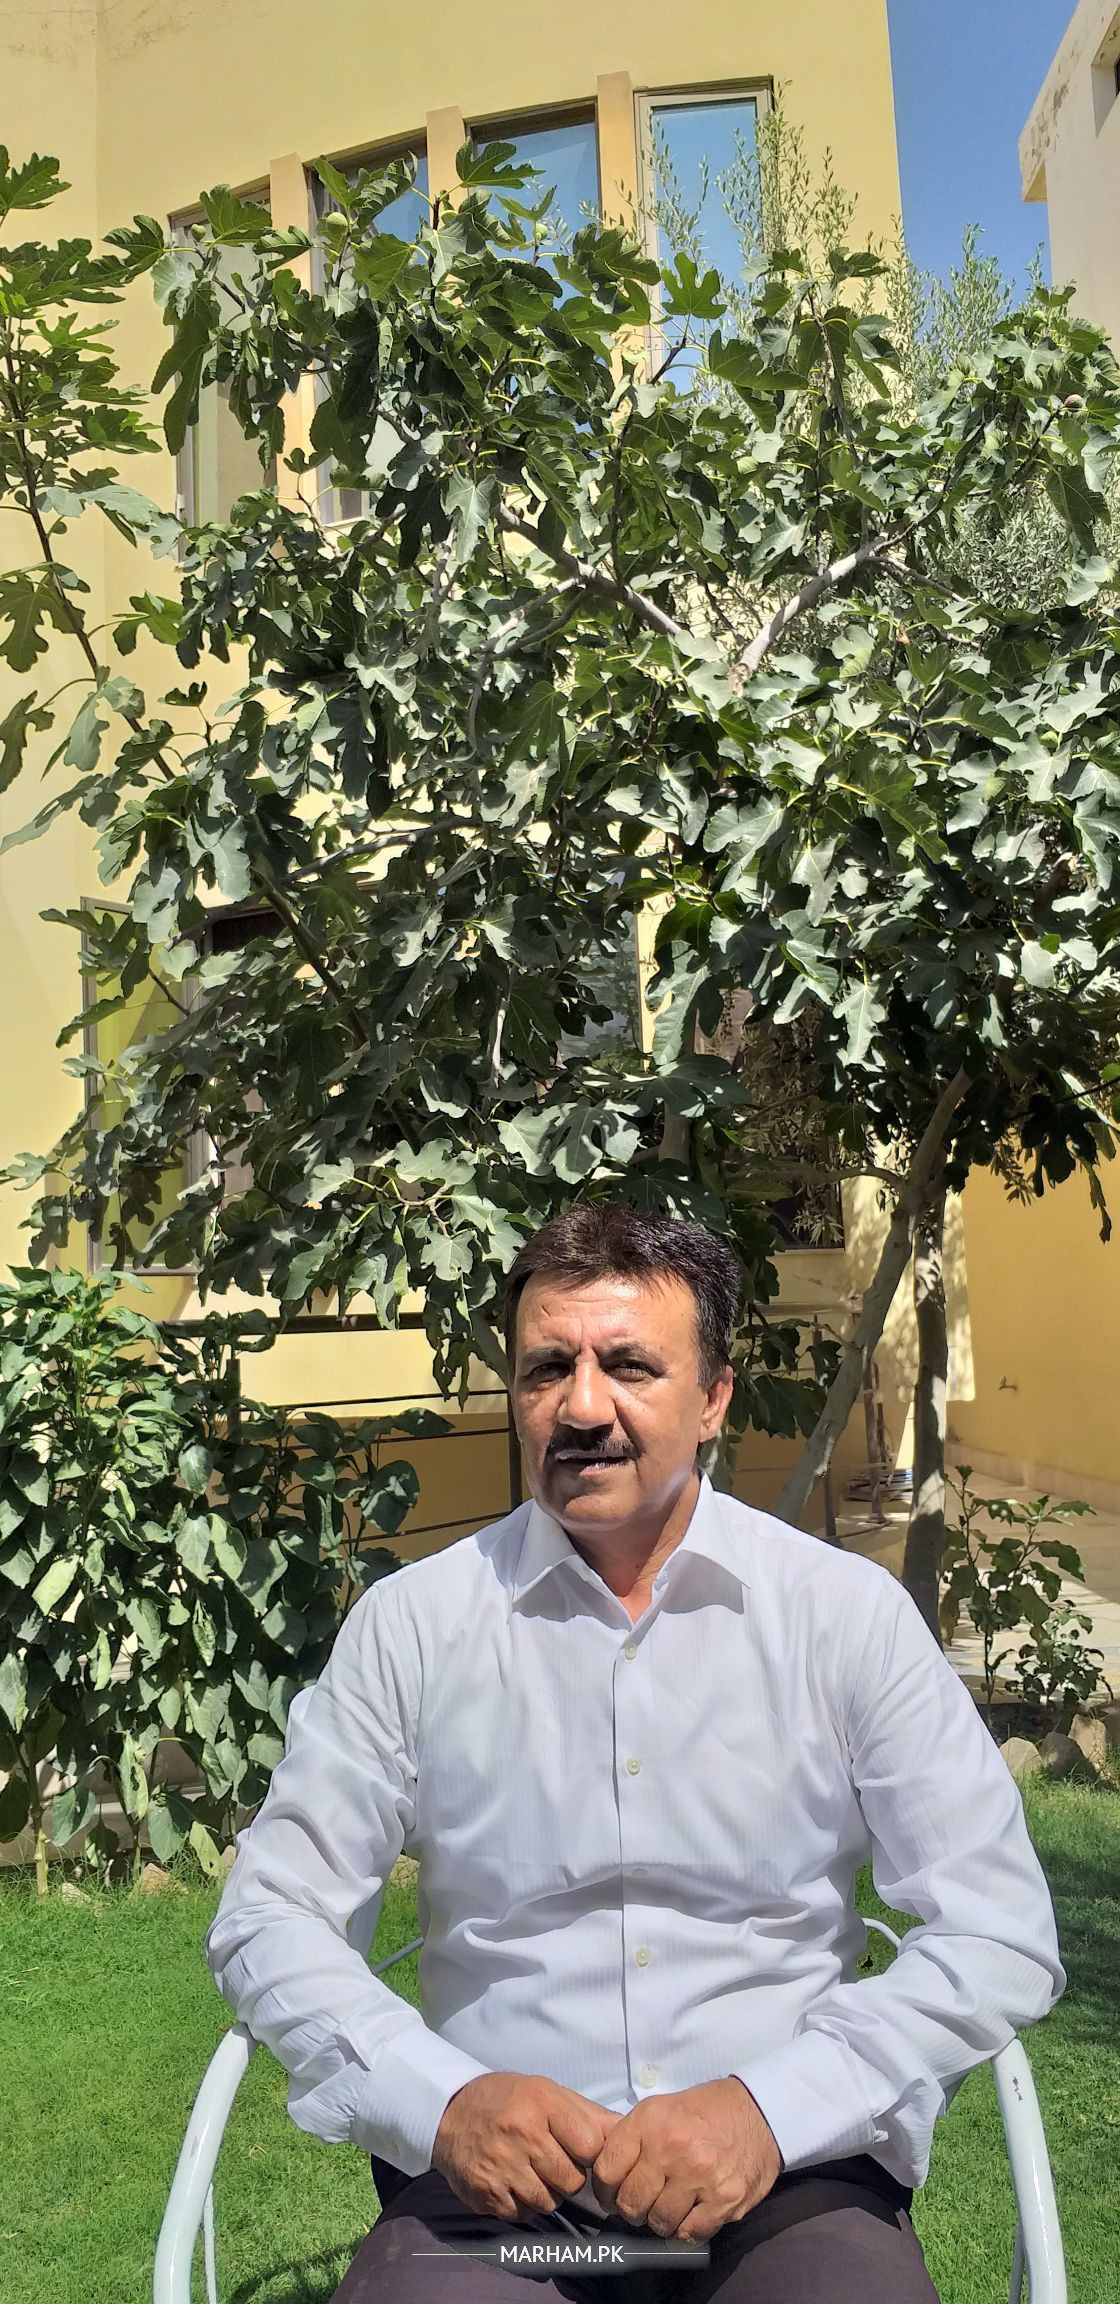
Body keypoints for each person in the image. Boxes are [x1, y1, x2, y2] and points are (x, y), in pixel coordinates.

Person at [206, 1205, 1064, 2302]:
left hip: (787, 2176)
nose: (581, 1407)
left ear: (713, 1399)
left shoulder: (844, 1618)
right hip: (504, 2196)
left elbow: (996, 1928)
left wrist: (769, 2109)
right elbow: (272, 1914)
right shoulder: (413, 1628)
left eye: (628, 1366)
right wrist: (442, 2101)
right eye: (546, 1368)